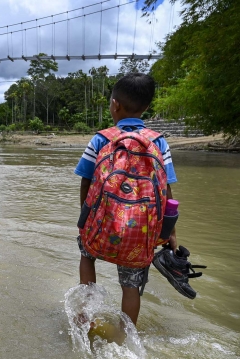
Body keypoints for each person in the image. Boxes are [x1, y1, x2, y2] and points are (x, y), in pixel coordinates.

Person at [74, 73, 178, 326]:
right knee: (131, 286)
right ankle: (126, 336)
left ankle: (84, 318)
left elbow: (86, 182)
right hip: (140, 233)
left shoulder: (101, 139)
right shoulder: (159, 142)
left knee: (87, 257)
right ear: (146, 107)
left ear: (115, 104)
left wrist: (85, 220)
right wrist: (170, 231)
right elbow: (167, 191)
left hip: (101, 225)